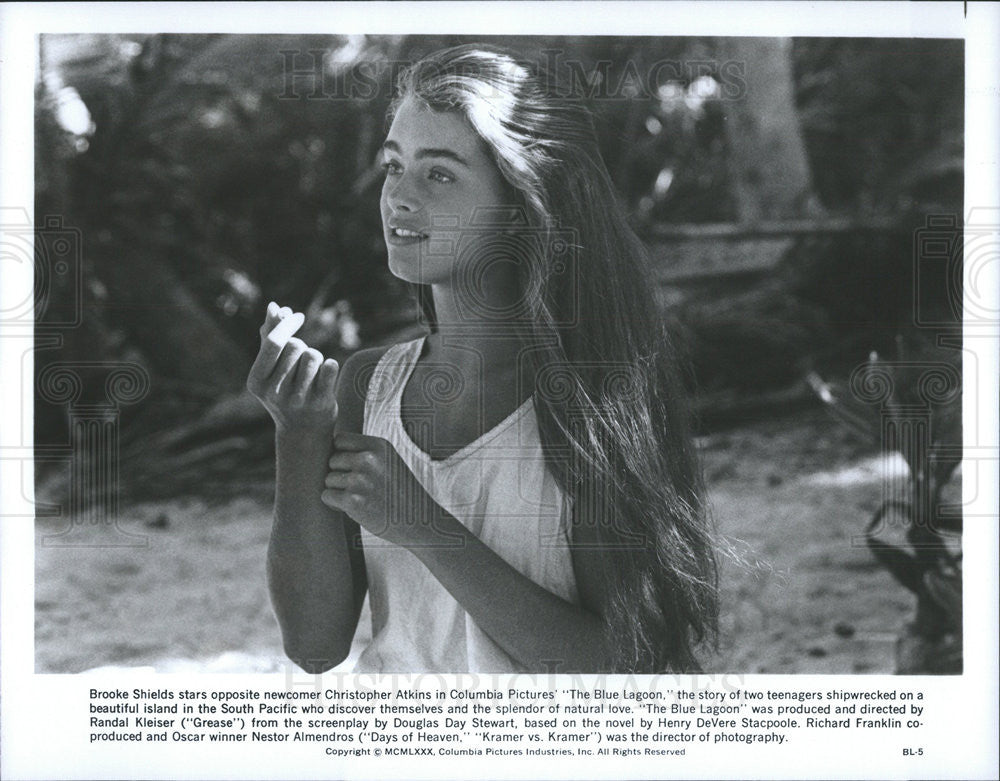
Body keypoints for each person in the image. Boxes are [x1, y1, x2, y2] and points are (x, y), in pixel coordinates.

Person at [247, 44, 718, 674]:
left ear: (523, 206)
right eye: (393, 166)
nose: (399, 198)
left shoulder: (592, 400)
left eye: (439, 173)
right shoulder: (368, 387)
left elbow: (626, 668)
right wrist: (299, 435)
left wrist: (424, 525)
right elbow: (313, 645)